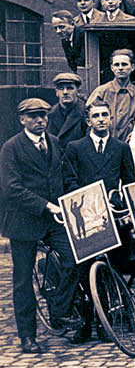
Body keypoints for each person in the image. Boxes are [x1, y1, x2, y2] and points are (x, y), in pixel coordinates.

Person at [1, 98, 83, 353]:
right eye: (34, 116)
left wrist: (75, 198)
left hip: (54, 219)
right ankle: (27, 336)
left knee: (74, 259)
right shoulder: (11, 148)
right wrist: (47, 205)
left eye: (44, 116)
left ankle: (59, 310)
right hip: (23, 220)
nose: (40, 121)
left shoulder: (55, 143)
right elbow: (11, 189)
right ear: (22, 119)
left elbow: (67, 176)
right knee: (23, 280)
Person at [62, 100, 135, 344]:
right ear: (88, 121)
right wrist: (88, 200)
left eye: (105, 114)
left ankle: (106, 323)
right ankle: (83, 324)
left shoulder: (121, 147)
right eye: (96, 116)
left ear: (111, 118)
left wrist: (120, 200)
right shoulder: (75, 148)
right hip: (85, 217)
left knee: (110, 268)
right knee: (84, 271)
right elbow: (69, 182)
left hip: (111, 216)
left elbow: (129, 181)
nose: (102, 119)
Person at [87, 49, 135, 141]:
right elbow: (88, 118)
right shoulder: (101, 91)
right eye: (116, 65)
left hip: (128, 144)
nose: (120, 68)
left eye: (124, 64)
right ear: (112, 68)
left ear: (132, 67)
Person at [47, 73, 89, 144]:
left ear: (78, 91)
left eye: (70, 88)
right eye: (61, 88)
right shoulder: (49, 114)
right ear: (56, 92)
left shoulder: (86, 113)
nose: (65, 92)